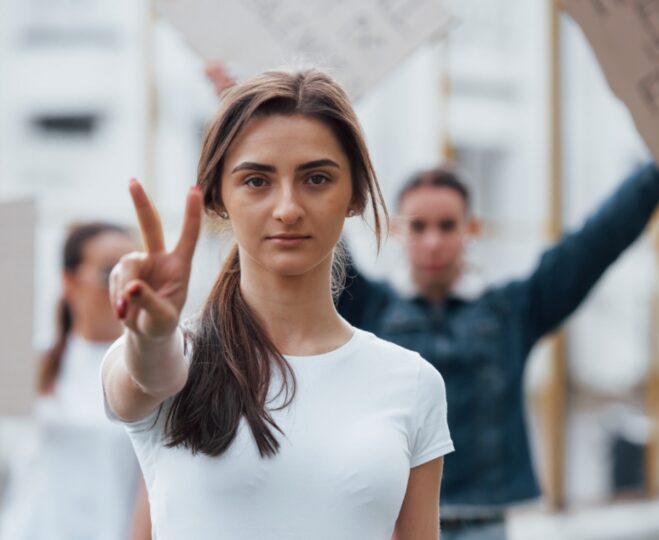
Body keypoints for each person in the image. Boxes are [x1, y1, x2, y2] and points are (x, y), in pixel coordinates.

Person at [336, 102, 659, 539]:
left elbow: (596, 242)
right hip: (396, 525)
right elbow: (322, 226)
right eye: (418, 226)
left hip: (484, 524)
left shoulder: (511, 311)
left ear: (472, 229)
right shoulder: (369, 310)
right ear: (398, 231)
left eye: (447, 225)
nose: (433, 241)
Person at [101, 69, 454, 540]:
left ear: (354, 195)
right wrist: (151, 335)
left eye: (316, 178)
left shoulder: (412, 383)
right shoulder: (174, 354)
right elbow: (150, 375)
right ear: (217, 198)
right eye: (256, 181)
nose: (288, 207)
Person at [0, 222, 151, 540]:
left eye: (138, 274)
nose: (126, 287)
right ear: (69, 281)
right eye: (111, 272)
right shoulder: (36, 363)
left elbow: (154, 487)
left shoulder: (155, 373)